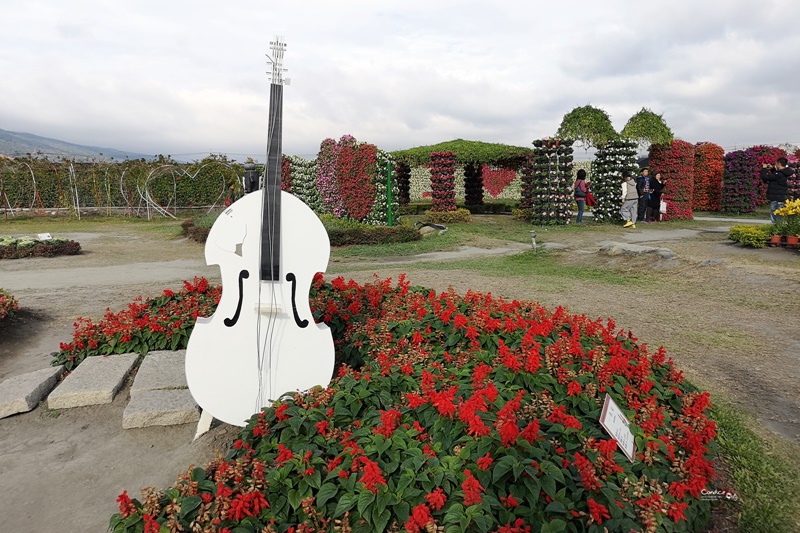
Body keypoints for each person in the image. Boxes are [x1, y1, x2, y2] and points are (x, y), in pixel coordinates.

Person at [761, 157, 791, 223]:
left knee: (776, 218)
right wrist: (773, 169)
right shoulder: (785, 173)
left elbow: (765, 177)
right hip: (781, 197)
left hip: (776, 198)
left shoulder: (779, 174)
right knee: (779, 217)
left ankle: (777, 231)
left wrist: (764, 169)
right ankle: (778, 230)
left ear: (779, 163)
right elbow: (776, 176)